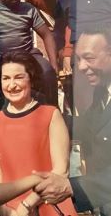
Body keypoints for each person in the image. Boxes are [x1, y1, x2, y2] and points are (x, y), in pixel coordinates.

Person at [0, 50, 77, 216]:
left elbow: (60, 171)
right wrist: (6, 211)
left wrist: (27, 205)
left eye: (19, 77)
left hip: (49, 205)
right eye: (6, 78)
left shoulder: (50, 115)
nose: (12, 85)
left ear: (31, 78)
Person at [34, 25, 111, 216]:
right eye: (78, 59)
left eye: (89, 58)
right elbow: (88, 126)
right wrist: (44, 115)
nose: (82, 67)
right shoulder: (103, 91)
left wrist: (72, 187)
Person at [54, 0, 111, 113]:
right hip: (81, 54)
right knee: (84, 97)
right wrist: (63, 54)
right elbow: (59, 30)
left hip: (106, 52)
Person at [24, 0, 72, 74]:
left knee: (64, 55)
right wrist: (45, 26)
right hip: (49, 25)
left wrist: (67, 54)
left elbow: (70, 24)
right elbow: (33, 17)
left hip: (63, 24)